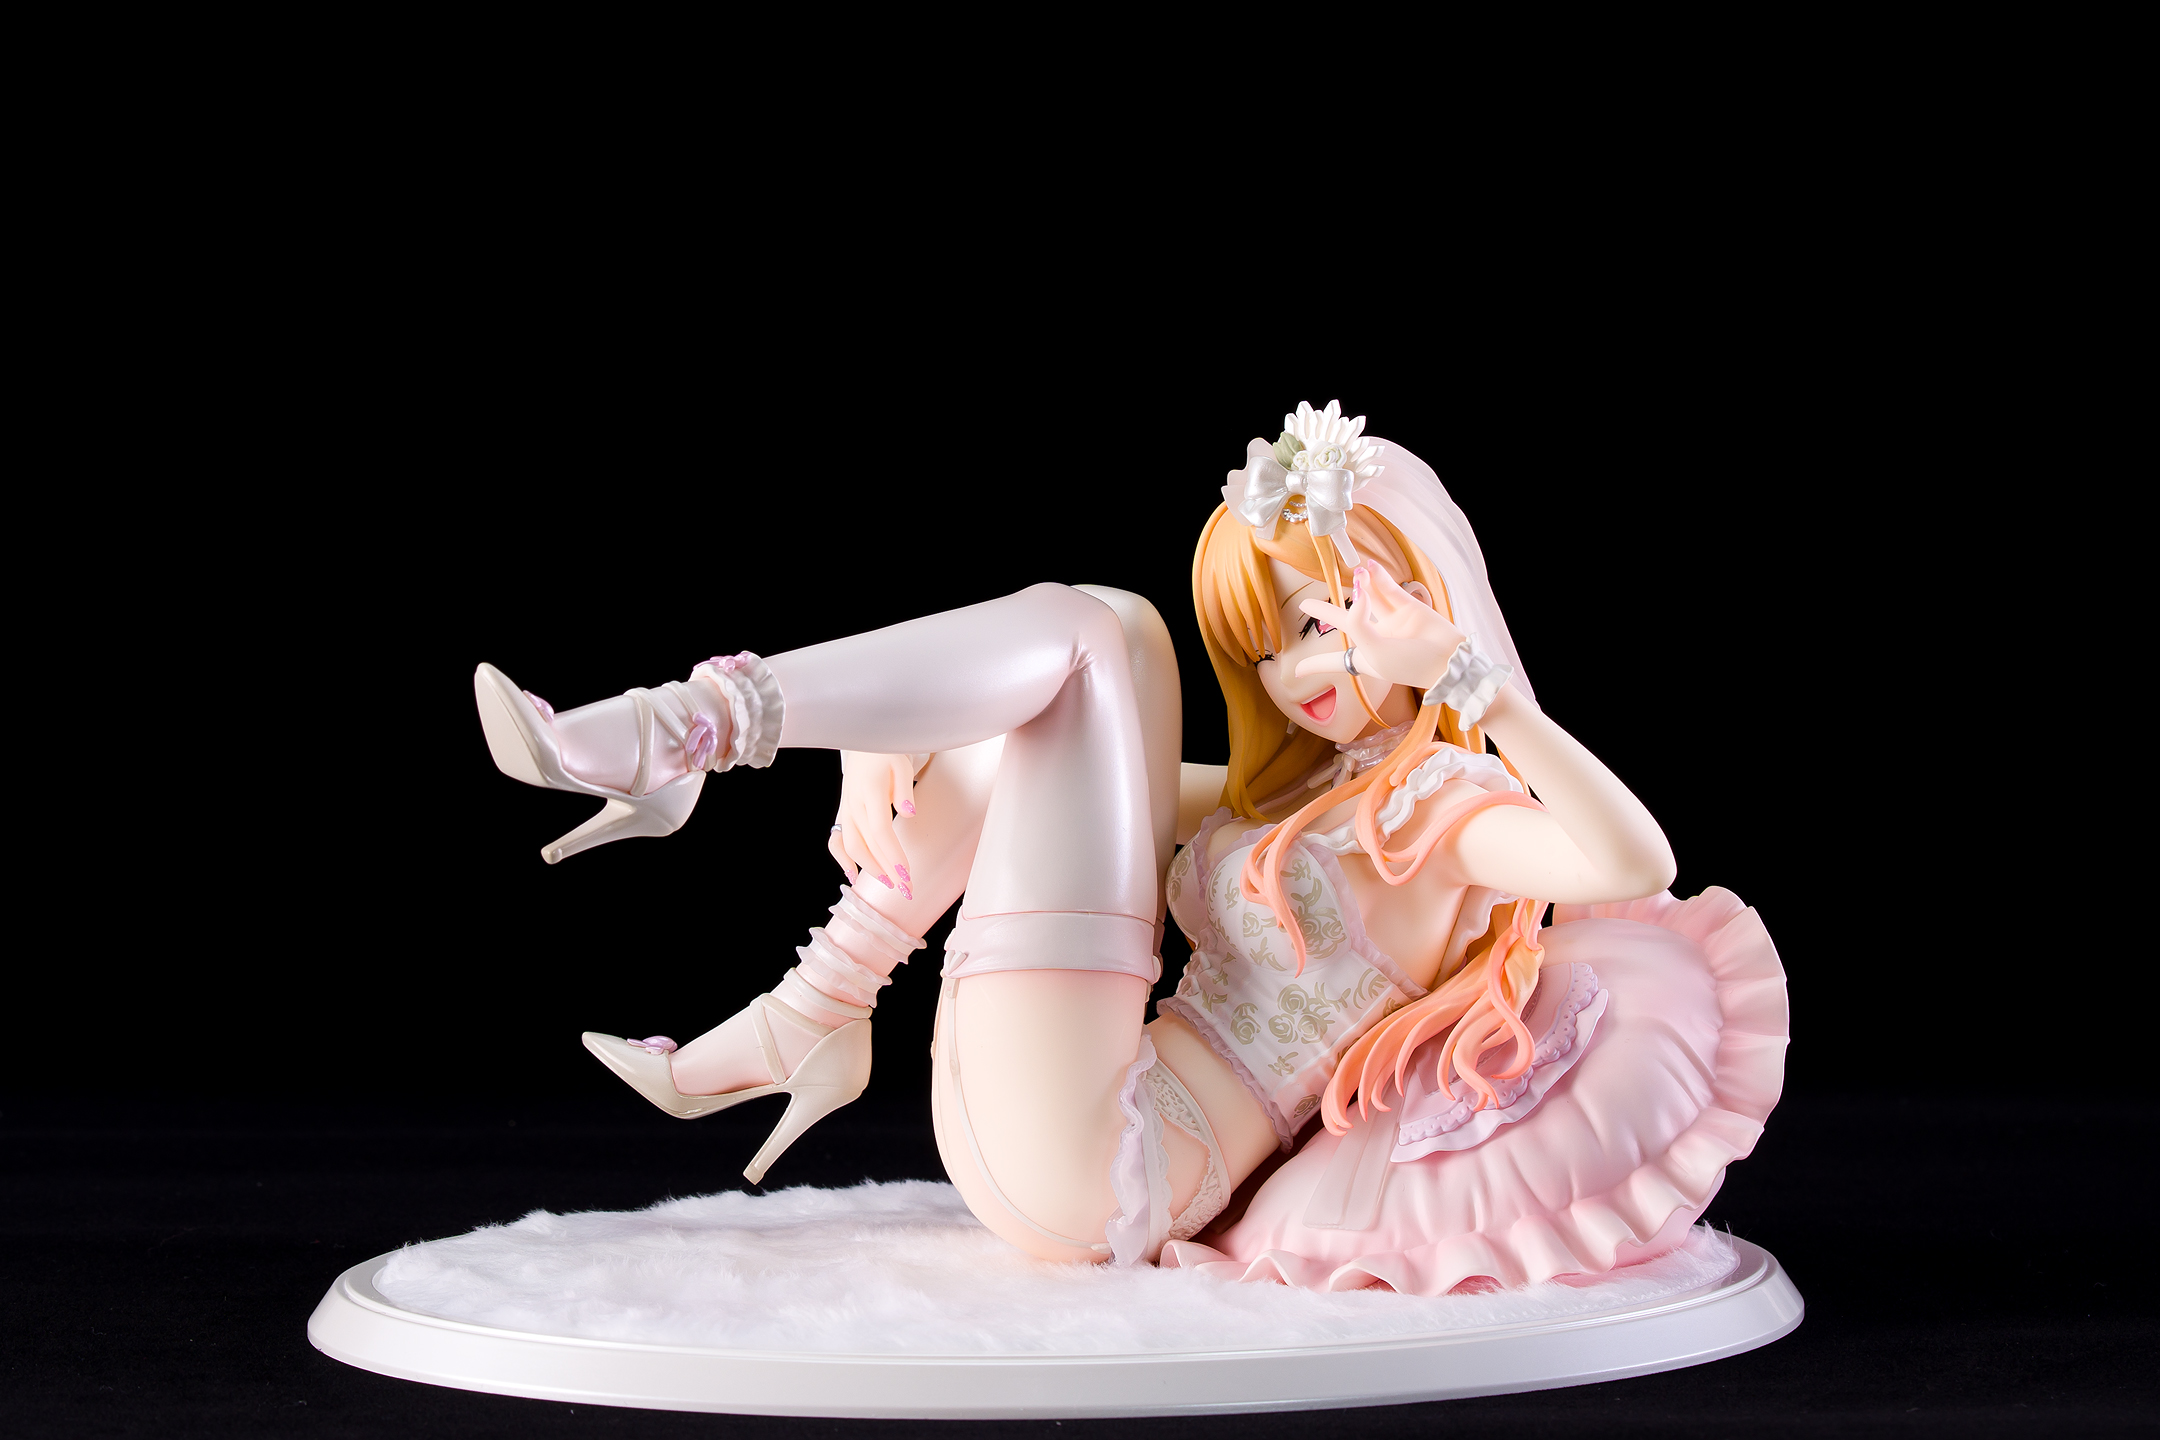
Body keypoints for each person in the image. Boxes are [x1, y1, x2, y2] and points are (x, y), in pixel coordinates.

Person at [472, 401, 1788, 1294]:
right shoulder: (1296, 805)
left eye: (1326, 623)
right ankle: (807, 1001)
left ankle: (684, 737)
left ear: (1419, 602)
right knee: (1074, 666)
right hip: (1059, 1134)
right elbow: (1030, 748)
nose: (1297, 674)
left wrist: (1462, 678)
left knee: (1107, 634)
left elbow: (1632, 861)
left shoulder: (1439, 811)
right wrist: (880, 739)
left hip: (1114, 1164)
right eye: (1267, 645)